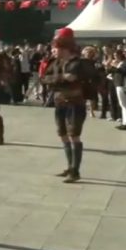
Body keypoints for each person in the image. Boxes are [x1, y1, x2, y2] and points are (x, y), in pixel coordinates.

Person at [41, 28, 98, 183]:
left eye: (55, 48)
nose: (52, 51)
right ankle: (69, 166)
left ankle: (75, 170)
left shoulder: (78, 63)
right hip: (60, 102)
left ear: (64, 48)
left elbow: (74, 78)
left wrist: (58, 79)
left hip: (75, 104)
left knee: (74, 135)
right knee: (63, 134)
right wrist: (62, 78)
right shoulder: (55, 63)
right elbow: (44, 79)